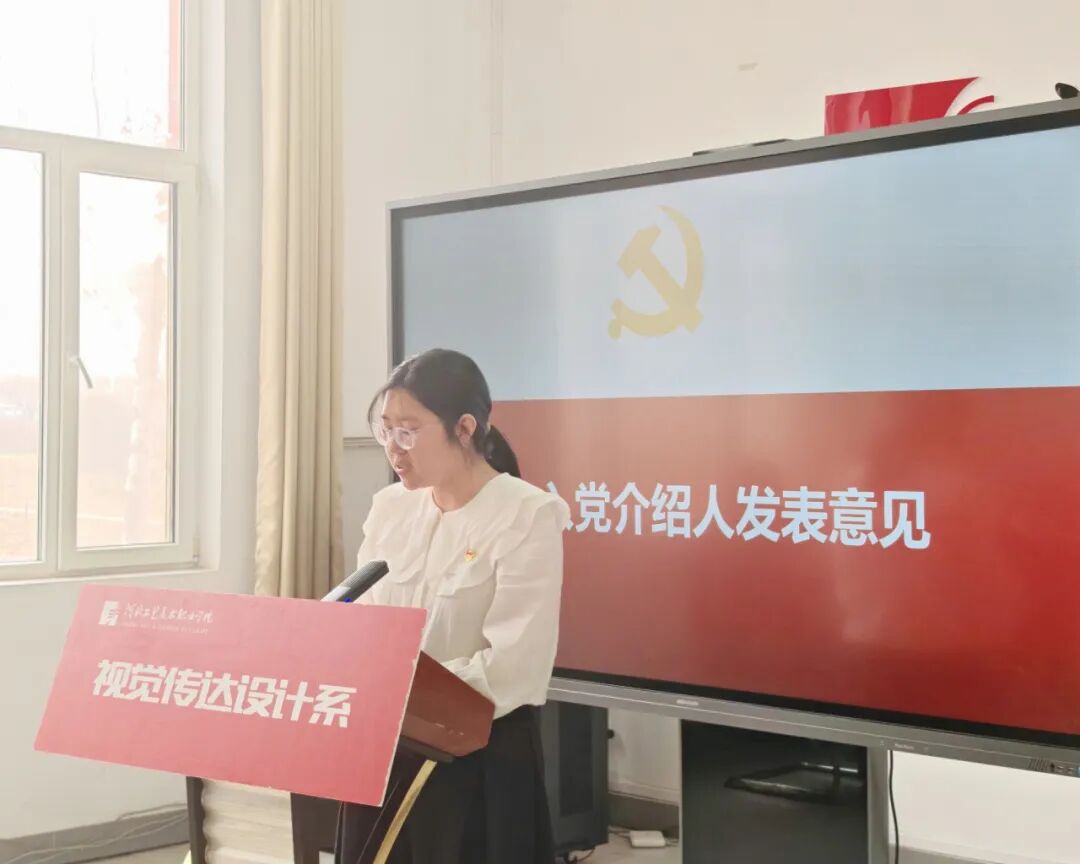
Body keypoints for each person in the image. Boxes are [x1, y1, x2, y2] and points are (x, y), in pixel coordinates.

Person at [337, 347, 571, 864]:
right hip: (386, 742)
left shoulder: (526, 515)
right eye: (385, 431)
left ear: (464, 428)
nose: (393, 449)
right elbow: (367, 621)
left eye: (408, 432)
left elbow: (517, 665)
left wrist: (405, 693)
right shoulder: (391, 508)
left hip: (476, 758)